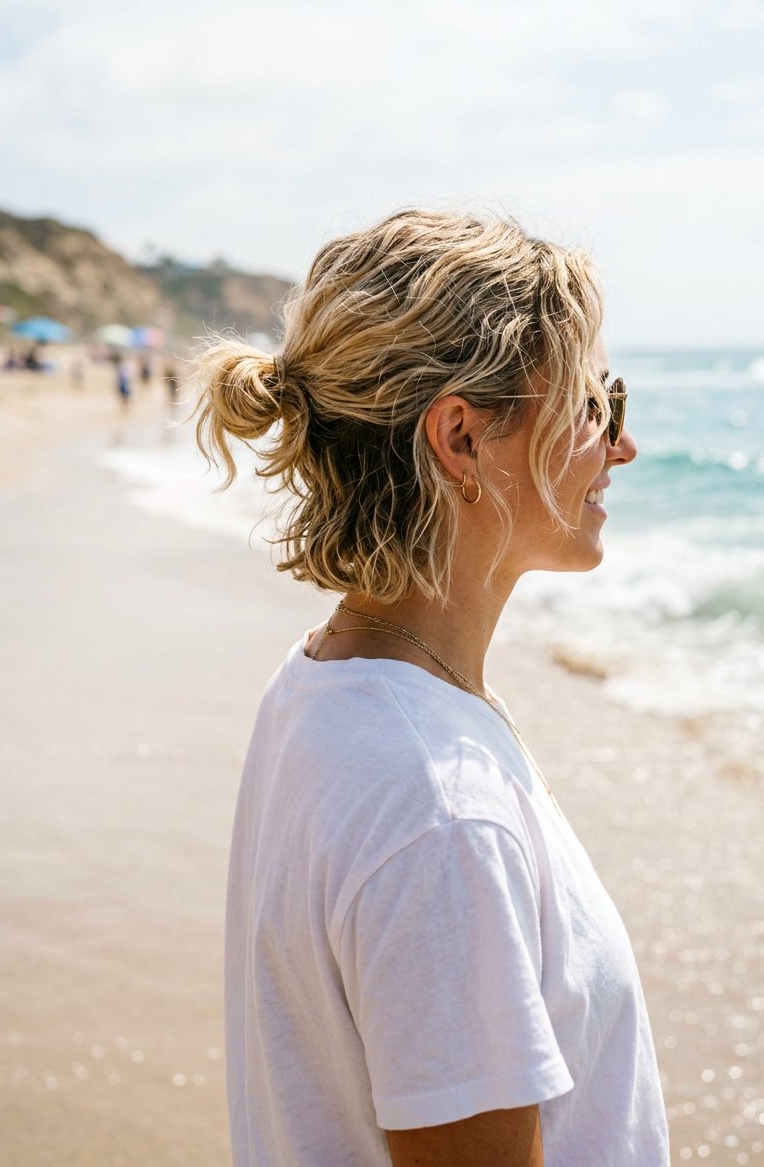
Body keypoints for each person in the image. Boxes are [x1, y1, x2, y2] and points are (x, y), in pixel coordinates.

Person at [193, 209, 669, 1167]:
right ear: (460, 436)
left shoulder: (325, 687)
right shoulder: (439, 809)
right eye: (594, 405)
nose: (623, 446)